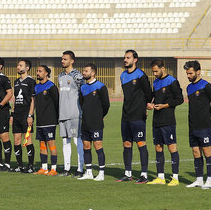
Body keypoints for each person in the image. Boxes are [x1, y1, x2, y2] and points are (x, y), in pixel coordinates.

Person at [184, 60, 211, 189]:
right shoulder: (189, 87)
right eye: (187, 73)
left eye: (190, 73)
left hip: (204, 126)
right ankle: (199, 179)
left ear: (198, 72)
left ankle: (209, 181)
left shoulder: (206, 85)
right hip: (192, 125)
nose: (188, 76)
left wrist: (209, 113)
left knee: (206, 151)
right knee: (195, 152)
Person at [146, 59, 183, 186]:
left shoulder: (172, 81)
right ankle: (160, 177)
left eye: (156, 71)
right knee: (158, 147)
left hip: (168, 120)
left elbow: (180, 99)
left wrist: (165, 105)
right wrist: (150, 104)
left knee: (172, 147)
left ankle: (175, 178)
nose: (155, 74)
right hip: (156, 120)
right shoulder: (155, 82)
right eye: (153, 72)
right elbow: (153, 97)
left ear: (163, 68)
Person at [118, 50, 153, 184]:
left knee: (140, 143)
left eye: (128, 57)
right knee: (126, 143)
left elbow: (148, 93)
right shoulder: (122, 75)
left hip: (138, 115)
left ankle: (144, 174)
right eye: (125, 57)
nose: (125, 60)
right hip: (125, 114)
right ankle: (128, 173)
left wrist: (145, 107)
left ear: (135, 59)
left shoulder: (141, 75)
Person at [78, 63, 110, 181]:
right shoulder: (82, 88)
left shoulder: (101, 86)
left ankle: (101, 173)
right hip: (85, 122)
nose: (84, 73)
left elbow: (106, 104)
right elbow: (81, 103)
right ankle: (89, 172)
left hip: (96, 122)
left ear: (93, 73)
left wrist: (100, 115)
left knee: (97, 146)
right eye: (83, 71)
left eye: (86, 71)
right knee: (86, 146)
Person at [58, 50, 85, 176]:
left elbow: (83, 94)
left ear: (72, 61)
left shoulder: (78, 76)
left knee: (77, 140)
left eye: (65, 59)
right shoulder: (60, 76)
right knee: (65, 141)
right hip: (62, 113)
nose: (62, 61)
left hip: (74, 113)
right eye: (62, 59)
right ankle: (66, 168)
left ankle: (80, 168)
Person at [33, 65, 59, 175]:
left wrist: (56, 118)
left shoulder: (51, 86)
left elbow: (57, 102)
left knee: (51, 144)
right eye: (37, 71)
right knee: (42, 145)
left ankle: (53, 169)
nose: (38, 73)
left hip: (50, 121)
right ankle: (44, 168)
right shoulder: (36, 87)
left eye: (40, 71)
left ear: (46, 73)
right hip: (40, 121)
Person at [11, 58, 36, 173]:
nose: (18, 67)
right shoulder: (16, 82)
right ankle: (19, 165)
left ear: (27, 68)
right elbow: (15, 99)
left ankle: (31, 166)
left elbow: (32, 100)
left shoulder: (31, 81)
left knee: (28, 140)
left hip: (26, 114)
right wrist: (12, 114)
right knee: (16, 140)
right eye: (18, 65)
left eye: (21, 65)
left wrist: (30, 115)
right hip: (17, 115)